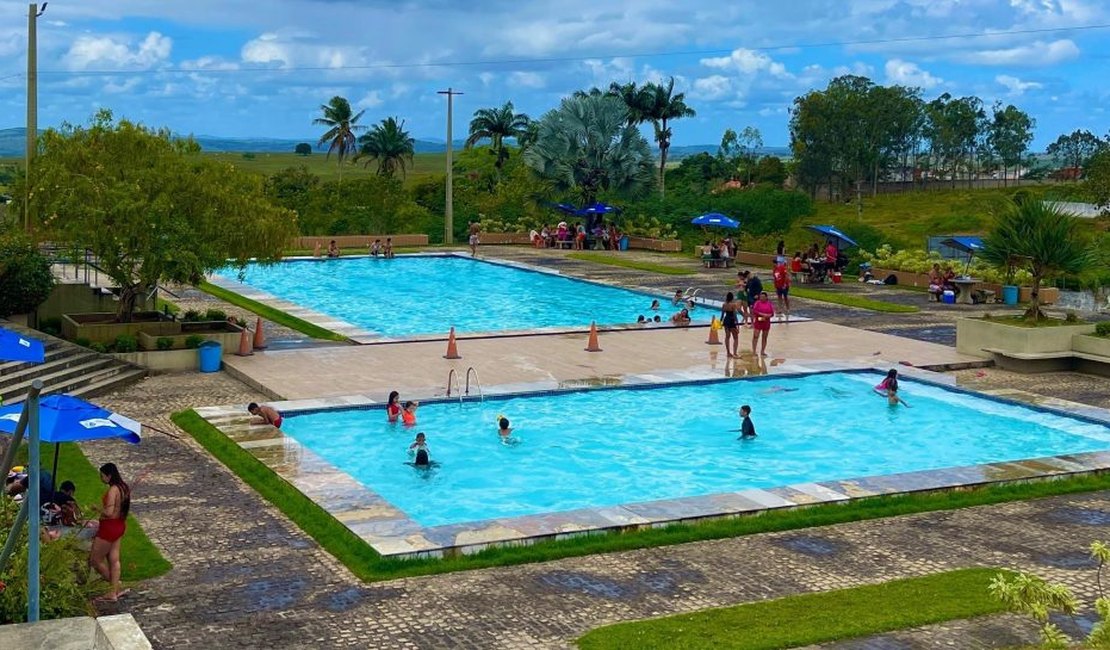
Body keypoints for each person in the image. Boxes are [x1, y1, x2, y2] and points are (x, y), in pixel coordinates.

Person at [90, 463, 130, 602]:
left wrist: (96, 509)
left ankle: (114, 587)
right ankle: (114, 591)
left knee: (95, 560)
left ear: (109, 476)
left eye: (102, 476)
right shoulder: (124, 487)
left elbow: (109, 512)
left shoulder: (113, 490)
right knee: (114, 560)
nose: (101, 478)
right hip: (119, 525)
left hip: (109, 527)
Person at [750, 291, 774, 357]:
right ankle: (754, 351)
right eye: (761, 297)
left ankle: (762, 351)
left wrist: (768, 315)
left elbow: (772, 313)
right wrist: (762, 314)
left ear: (766, 297)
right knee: (756, 336)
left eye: (763, 297)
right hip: (759, 321)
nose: (762, 298)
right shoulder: (757, 303)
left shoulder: (769, 304)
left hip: (766, 322)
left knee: (764, 337)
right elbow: (754, 311)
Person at [721, 291, 741, 358]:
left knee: (727, 337)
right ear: (732, 298)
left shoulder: (724, 304)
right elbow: (734, 315)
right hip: (731, 321)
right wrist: (737, 324)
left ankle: (728, 353)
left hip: (726, 320)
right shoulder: (733, 305)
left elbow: (722, 315)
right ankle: (735, 353)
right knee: (735, 337)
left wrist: (720, 322)